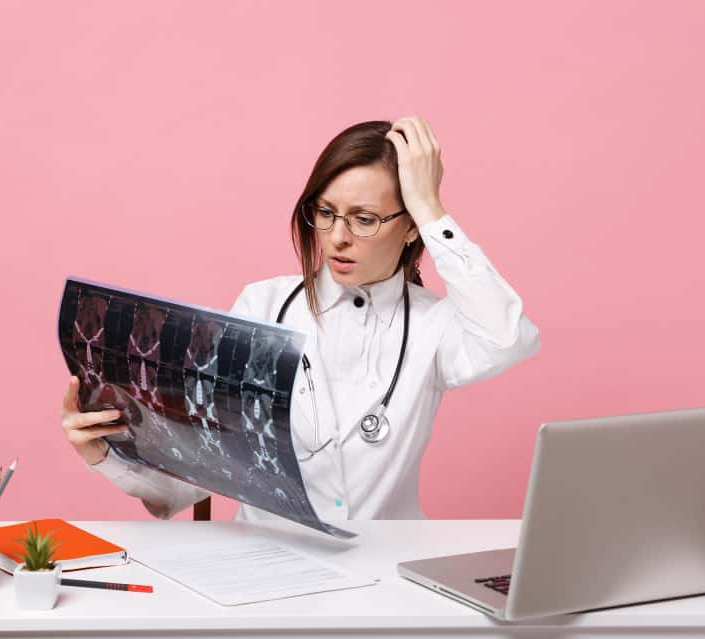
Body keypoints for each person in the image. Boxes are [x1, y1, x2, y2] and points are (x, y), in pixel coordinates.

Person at [60, 116, 541, 522]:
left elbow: (508, 338)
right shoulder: (262, 307)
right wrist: (104, 455)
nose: (337, 238)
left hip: (386, 581)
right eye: (326, 212)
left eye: (365, 219)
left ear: (410, 224)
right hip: (269, 573)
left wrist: (433, 210)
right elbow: (195, 478)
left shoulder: (436, 325)